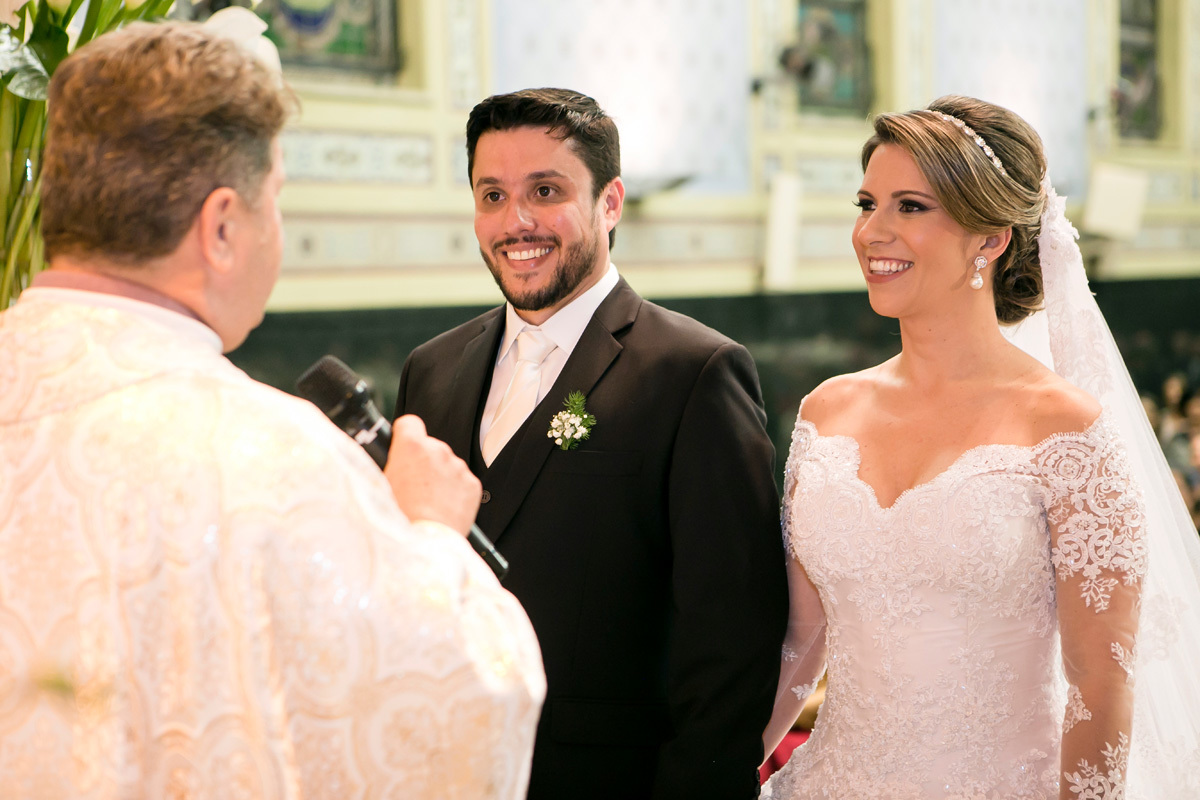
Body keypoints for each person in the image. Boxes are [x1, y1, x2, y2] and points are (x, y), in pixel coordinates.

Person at [0, 17, 545, 798]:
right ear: (222, 226)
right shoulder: (270, 457)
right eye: (277, 200)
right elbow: (466, 699)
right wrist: (432, 536)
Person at [762, 95, 1200, 799]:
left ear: (990, 237)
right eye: (866, 202)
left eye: (910, 206)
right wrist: (721, 763)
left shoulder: (1066, 431)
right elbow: (799, 638)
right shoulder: (827, 410)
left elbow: (1101, 678)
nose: (872, 231)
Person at [393, 88, 788, 799]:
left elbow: (733, 640)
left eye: (545, 190)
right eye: (492, 194)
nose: (516, 221)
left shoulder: (693, 371)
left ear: (610, 203)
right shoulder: (431, 368)